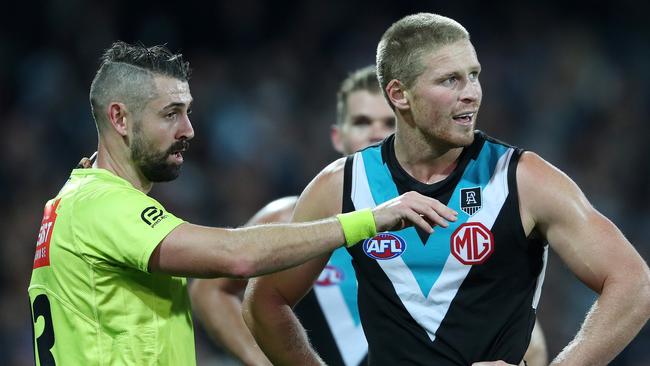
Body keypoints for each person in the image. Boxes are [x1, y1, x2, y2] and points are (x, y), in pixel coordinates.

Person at [243, 13, 650, 366]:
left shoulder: (523, 179)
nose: (471, 92)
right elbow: (264, 300)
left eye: (474, 75)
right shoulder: (344, 184)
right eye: (450, 80)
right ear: (399, 95)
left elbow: (635, 284)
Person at [27, 41, 458, 365]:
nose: (189, 129)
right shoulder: (102, 204)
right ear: (119, 118)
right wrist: (370, 219)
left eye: (188, 111)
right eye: (170, 113)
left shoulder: (75, 202)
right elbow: (235, 258)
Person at [191, 65, 396, 366]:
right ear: (338, 137)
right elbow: (210, 291)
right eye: (362, 122)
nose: (377, 133)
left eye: (389, 122)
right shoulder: (293, 217)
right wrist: (264, 361)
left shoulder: (438, 216)